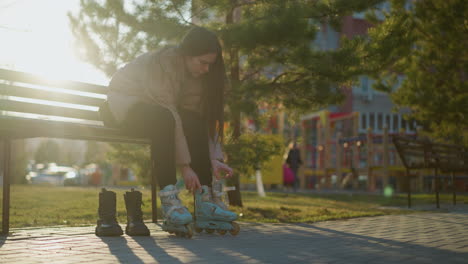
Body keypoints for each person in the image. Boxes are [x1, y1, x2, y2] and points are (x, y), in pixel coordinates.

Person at [96, 27, 239, 237]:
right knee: (164, 119)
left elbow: (199, 120)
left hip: (155, 112)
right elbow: (170, 114)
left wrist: (214, 159)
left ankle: (205, 201)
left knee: (190, 119)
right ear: (188, 54)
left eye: (210, 64)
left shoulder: (193, 74)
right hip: (123, 107)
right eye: (203, 62)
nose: (207, 69)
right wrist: (185, 167)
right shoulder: (163, 65)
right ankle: (170, 201)